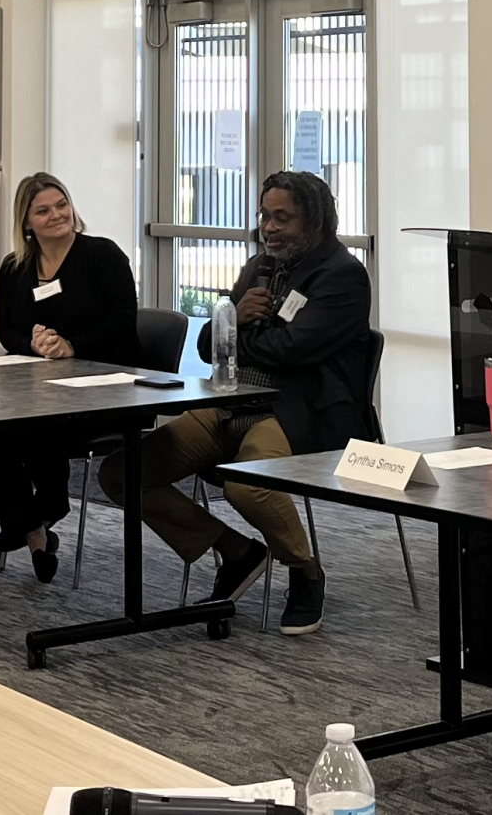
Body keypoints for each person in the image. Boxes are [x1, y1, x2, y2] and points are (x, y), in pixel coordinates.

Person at [98, 171, 372, 636]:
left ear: (315, 219)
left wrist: (239, 329)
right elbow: (209, 344)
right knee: (120, 474)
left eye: (281, 218)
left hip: (294, 409)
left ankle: (306, 572)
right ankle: (235, 550)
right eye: (265, 216)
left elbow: (293, 352)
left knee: (249, 486)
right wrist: (237, 319)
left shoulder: (343, 276)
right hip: (229, 402)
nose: (269, 227)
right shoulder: (258, 267)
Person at [0, 172, 139, 583]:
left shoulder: (101, 256)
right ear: (26, 222)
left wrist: (72, 345)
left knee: (36, 433)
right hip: (41, 390)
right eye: (43, 210)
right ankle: (35, 530)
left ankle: (41, 512)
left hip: (105, 389)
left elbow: (123, 321)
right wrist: (32, 344)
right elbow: (5, 329)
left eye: (61, 205)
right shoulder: (15, 267)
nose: (56, 216)